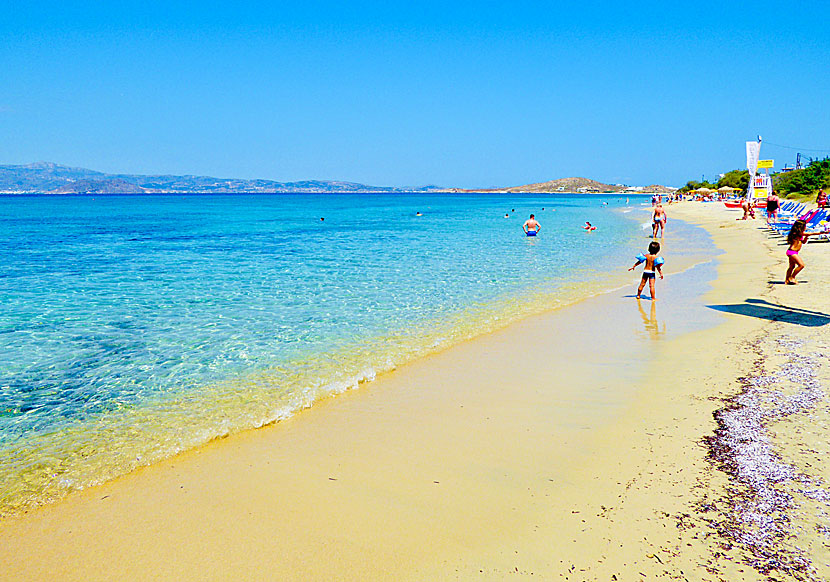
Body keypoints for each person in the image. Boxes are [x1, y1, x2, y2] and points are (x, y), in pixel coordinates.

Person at [785, 219, 827, 284]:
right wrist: (821, 233)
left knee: (792, 266)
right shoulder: (796, 233)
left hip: (793, 252)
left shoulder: (800, 234)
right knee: (801, 265)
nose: (805, 227)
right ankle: (792, 277)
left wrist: (806, 237)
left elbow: (803, 242)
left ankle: (787, 280)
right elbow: (811, 233)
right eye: (805, 226)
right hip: (792, 252)